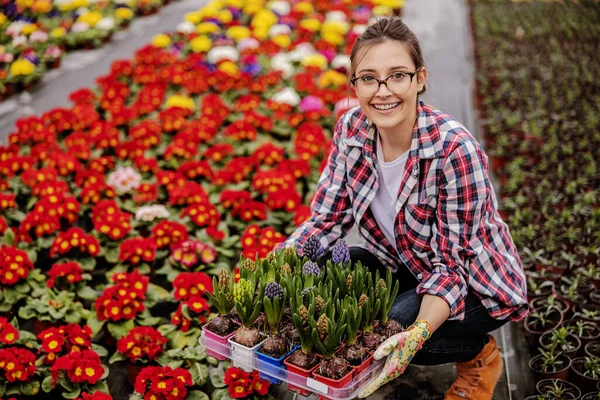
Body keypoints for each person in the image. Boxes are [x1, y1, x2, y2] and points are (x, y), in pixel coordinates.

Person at [278, 16, 528, 399]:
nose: (383, 92)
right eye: (368, 78)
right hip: (408, 265)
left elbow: (450, 270)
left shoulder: (453, 152)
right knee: (330, 269)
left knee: (388, 330)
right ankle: (386, 340)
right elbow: (326, 221)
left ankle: (480, 357)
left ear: (420, 78)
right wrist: (273, 273)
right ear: (355, 85)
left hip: (474, 285)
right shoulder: (351, 130)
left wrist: (415, 332)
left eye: (397, 75)